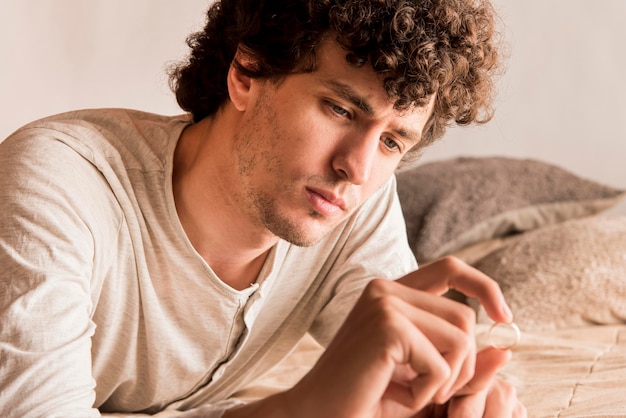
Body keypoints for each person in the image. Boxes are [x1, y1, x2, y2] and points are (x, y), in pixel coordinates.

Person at [0, 0, 526, 417]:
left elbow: (399, 378)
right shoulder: (58, 183)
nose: (357, 169)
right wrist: (298, 410)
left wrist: (446, 400)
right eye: (340, 109)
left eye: (392, 142)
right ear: (247, 74)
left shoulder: (353, 203)